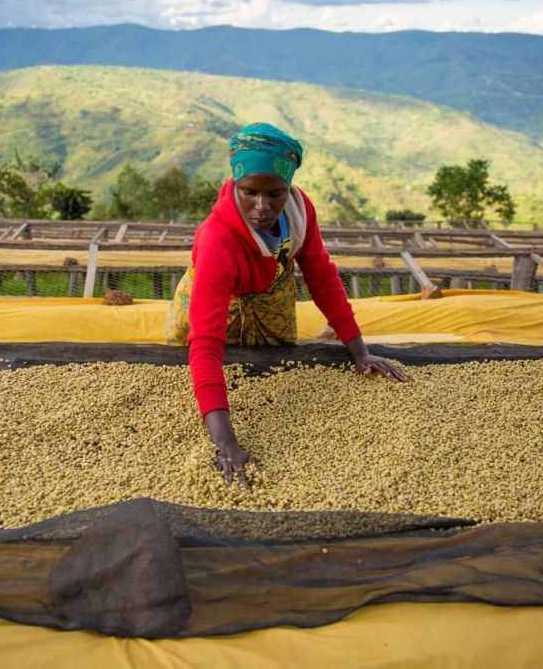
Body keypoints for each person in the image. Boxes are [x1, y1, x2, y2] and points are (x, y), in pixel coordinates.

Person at [166, 122, 408, 485]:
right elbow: (205, 344)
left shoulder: (299, 212)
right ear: (236, 184)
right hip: (214, 304)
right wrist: (226, 442)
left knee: (269, 366)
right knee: (195, 363)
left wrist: (359, 351)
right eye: (249, 193)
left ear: (289, 188)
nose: (262, 207)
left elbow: (321, 276)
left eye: (275, 193)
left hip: (269, 298)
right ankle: (211, 414)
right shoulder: (218, 241)